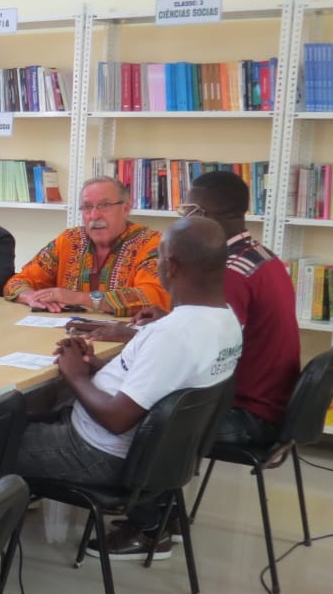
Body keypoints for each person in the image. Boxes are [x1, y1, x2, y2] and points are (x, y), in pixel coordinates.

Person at [14, 216, 243, 560]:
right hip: (154, 454)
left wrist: (76, 376)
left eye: (159, 257)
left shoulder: (173, 334)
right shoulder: (226, 320)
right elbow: (158, 381)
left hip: (99, 452)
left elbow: (117, 419)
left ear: (171, 267)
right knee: (24, 415)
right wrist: (95, 366)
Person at [72, 170, 301, 448]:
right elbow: (208, 333)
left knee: (125, 414)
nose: (181, 218)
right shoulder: (258, 256)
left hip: (247, 412)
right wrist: (168, 321)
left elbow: (205, 348)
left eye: (185, 210)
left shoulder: (228, 273)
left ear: (200, 214)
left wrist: (132, 335)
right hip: (271, 402)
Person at [3, 176, 169, 316]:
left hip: (128, 337)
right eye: (87, 207)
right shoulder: (69, 240)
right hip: (65, 334)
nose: (94, 215)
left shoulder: (151, 243)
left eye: (104, 206)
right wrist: (30, 297)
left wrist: (79, 298)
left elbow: (154, 297)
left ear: (125, 209)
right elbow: (17, 281)